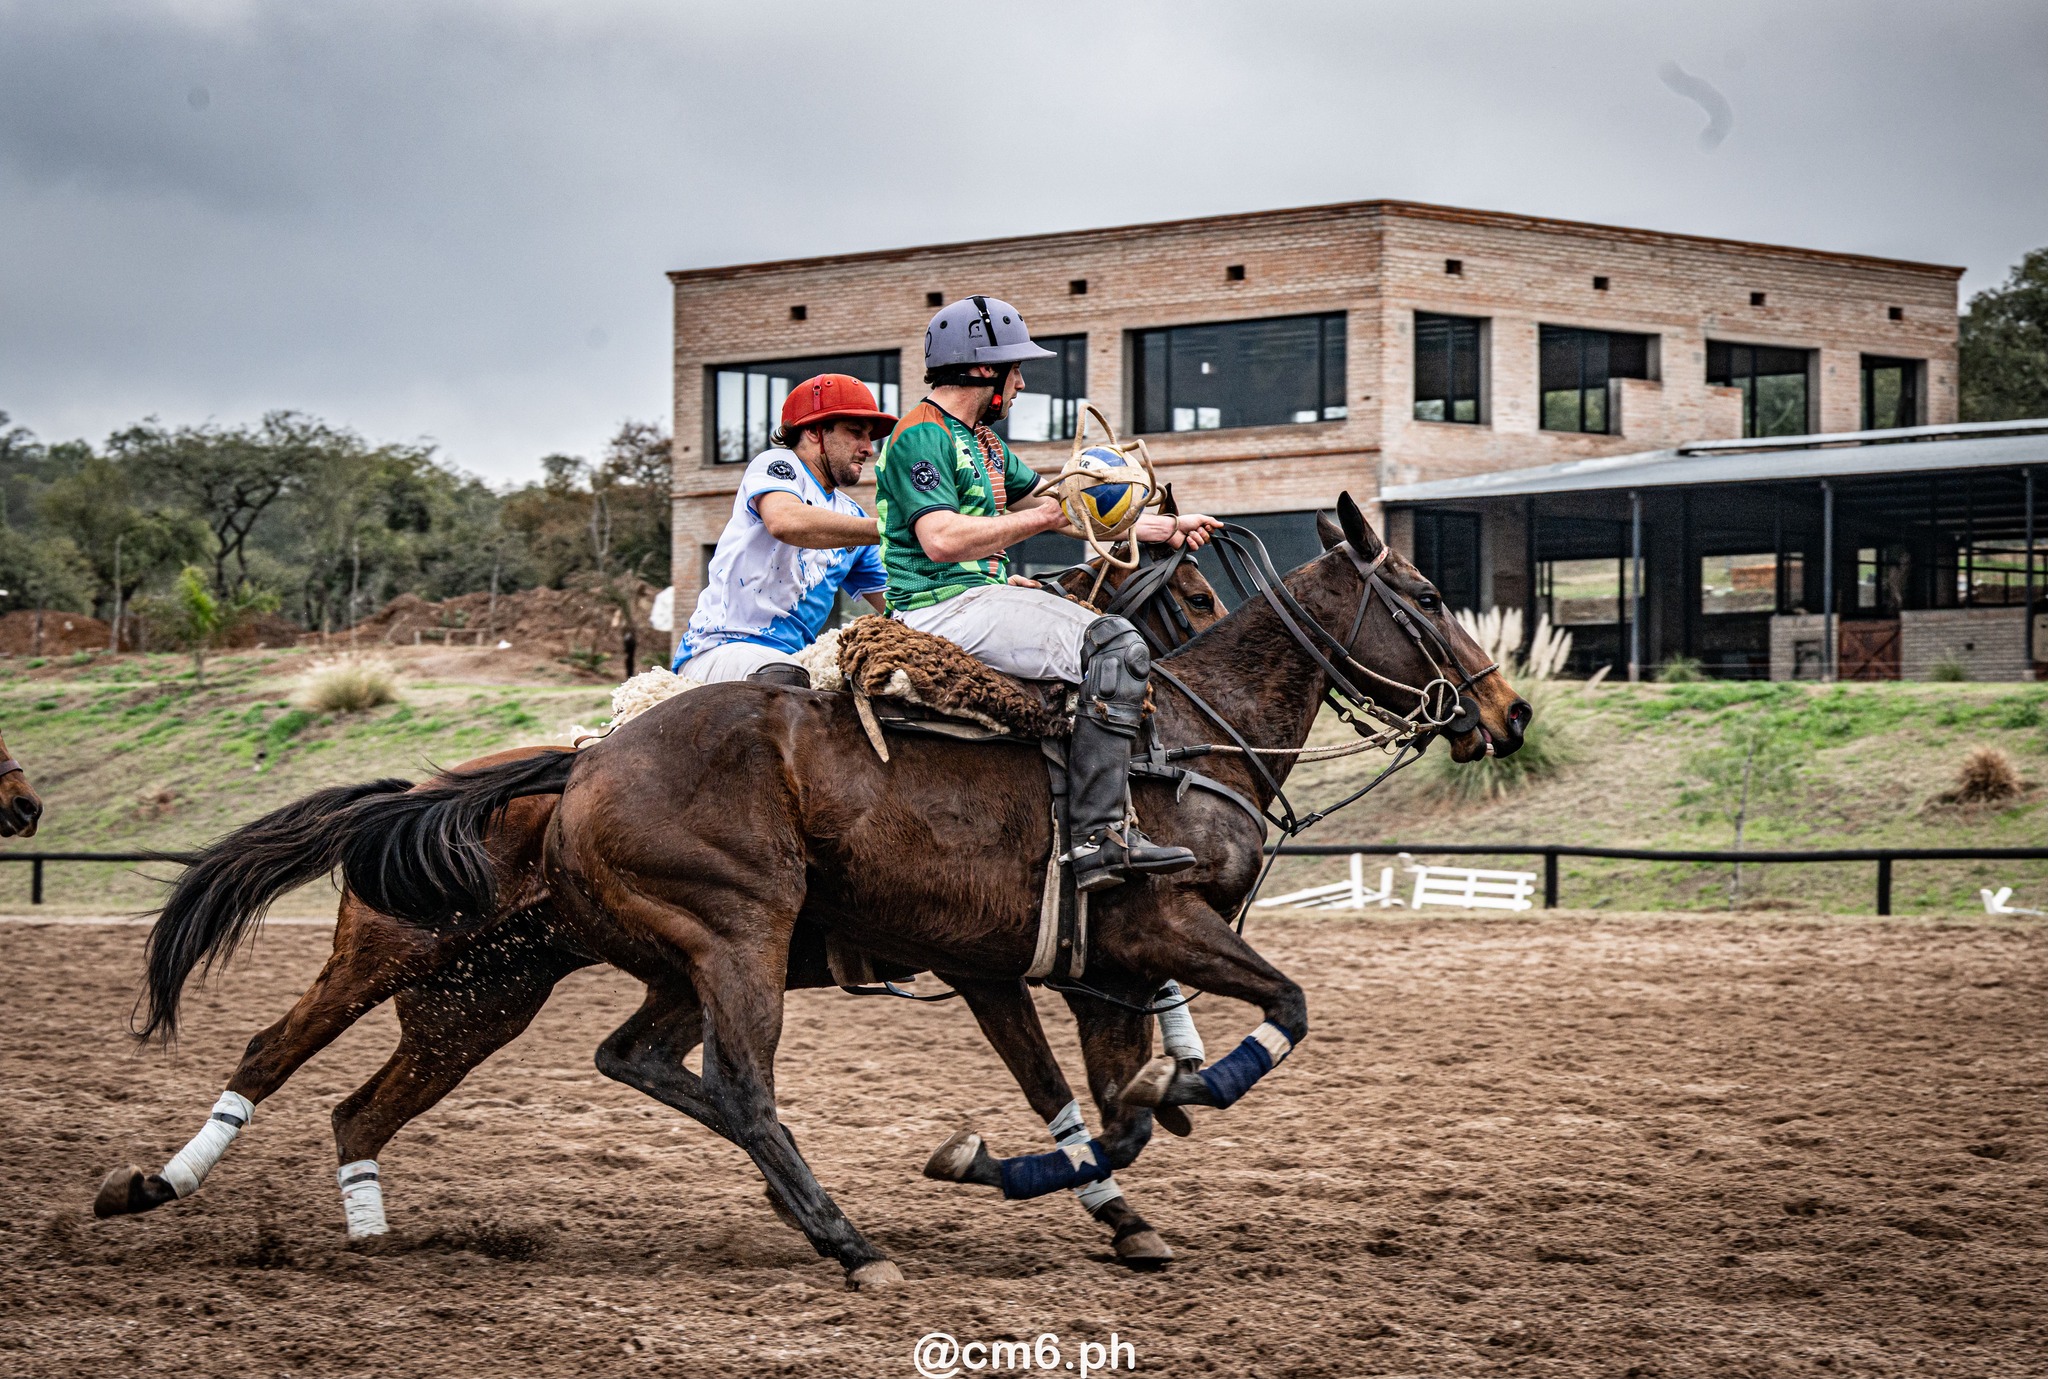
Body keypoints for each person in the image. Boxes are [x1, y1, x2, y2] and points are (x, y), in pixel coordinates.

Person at [873, 295, 1222, 893]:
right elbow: (940, 538)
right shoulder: (920, 438)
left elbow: (1063, 513)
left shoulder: (981, 440)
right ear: (984, 371)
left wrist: (1162, 529)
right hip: (938, 607)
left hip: (976, 598)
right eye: (1016, 370)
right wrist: (1041, 518)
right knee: (1117, 648)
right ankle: (1096, 839)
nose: (1024, 381)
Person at [673, 374, 896, 687]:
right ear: (815, 431)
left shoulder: (852, 516)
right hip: (721, 651)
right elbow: (785, 521)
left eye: (869, 437)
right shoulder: (776, 464)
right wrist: (889, 528)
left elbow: (898, 603)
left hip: (793, 663)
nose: (868, 449)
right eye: (856, 433)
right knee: (786, 678)